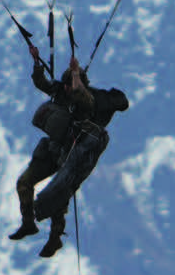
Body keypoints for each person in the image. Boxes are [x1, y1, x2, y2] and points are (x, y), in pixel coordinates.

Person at [10, 53, 130, 258]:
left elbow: (82, 96)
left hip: (71, 154)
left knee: (59, 197)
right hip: (52, 149)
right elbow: (42, 83)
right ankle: (28, 223)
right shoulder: (61, 91)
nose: (65, 89)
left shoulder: (89, 101)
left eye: (69, 86)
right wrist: (36, 61)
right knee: (24, 182)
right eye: (65, 86)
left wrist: (75, 75)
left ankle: (55, 238)